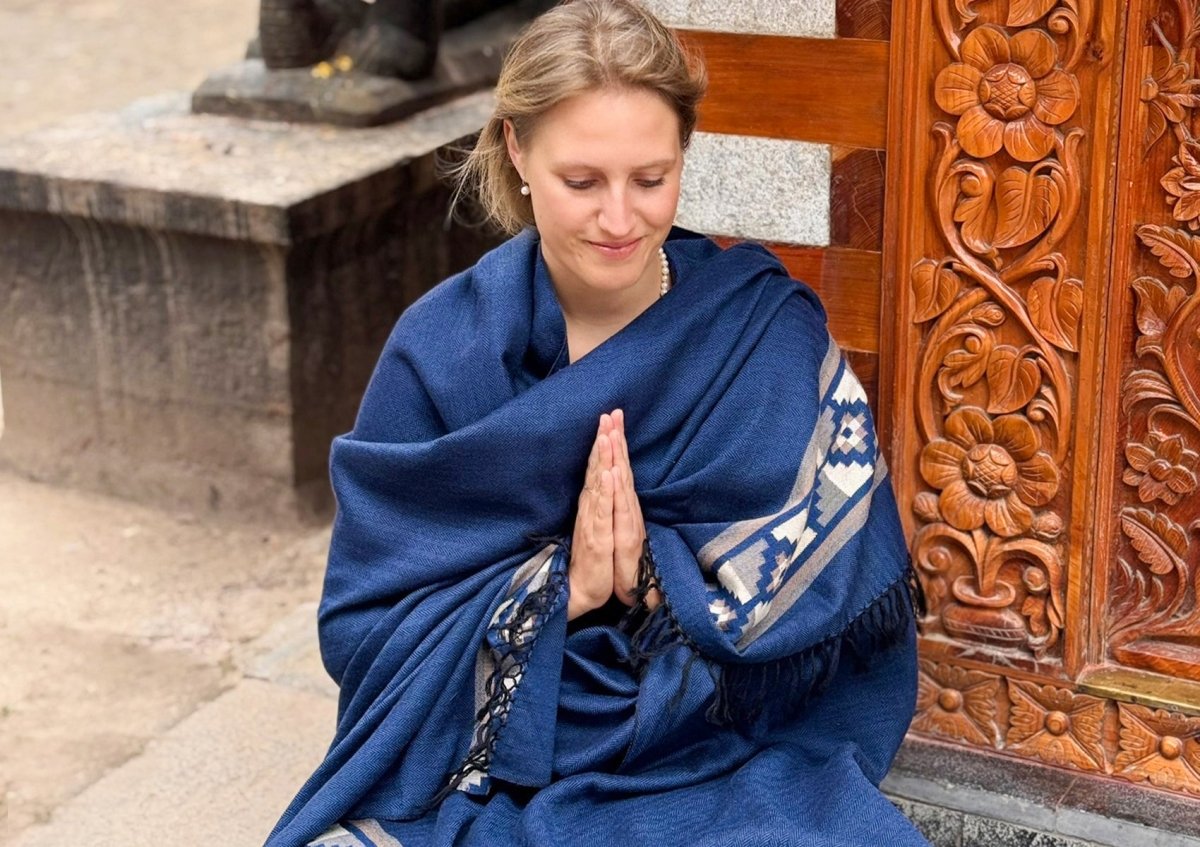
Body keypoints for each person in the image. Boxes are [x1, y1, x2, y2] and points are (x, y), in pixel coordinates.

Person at [266, 2, 929, 845]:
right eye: (583, 182)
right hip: (503, 745)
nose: (621, 219)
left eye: (651, 179)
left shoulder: (760, 329)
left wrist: (663, 583)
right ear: (517, 150)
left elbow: (836, 584)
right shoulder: (439, 351)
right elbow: (366, 626)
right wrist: (560, 591)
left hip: (722, 732)